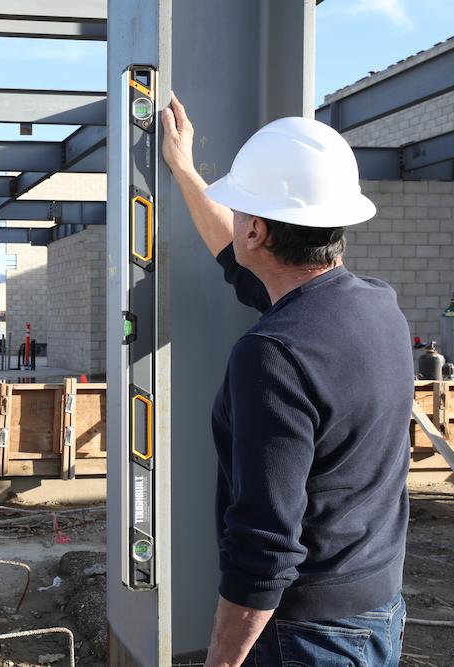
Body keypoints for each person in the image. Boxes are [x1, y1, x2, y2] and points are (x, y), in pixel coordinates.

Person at [160, 93, 412, 667]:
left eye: (245, 210)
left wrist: (222, 660)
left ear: (260, 232)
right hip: (376, 608)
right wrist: (184, 170)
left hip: (306, 636)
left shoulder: (272, 355)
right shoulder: (377, 308)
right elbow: (240, 260)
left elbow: (265, 542)